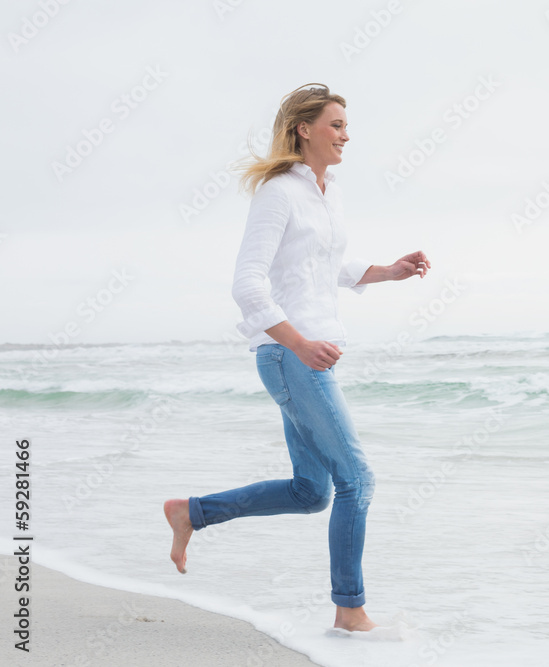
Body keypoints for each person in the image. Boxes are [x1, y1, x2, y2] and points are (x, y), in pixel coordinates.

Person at [163, 83, 429, 632]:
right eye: (336, 125)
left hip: (308, 358)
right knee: (358, 480)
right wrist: (299, 343)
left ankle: (192, 512)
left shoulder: (322, 194)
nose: (346, 135)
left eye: (346, 126)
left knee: (312, 493)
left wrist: (388, 271)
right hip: (292, 357)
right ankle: (349, 610)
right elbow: (247, 285)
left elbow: (320, 267)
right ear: (304, 129)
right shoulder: (279, 192)